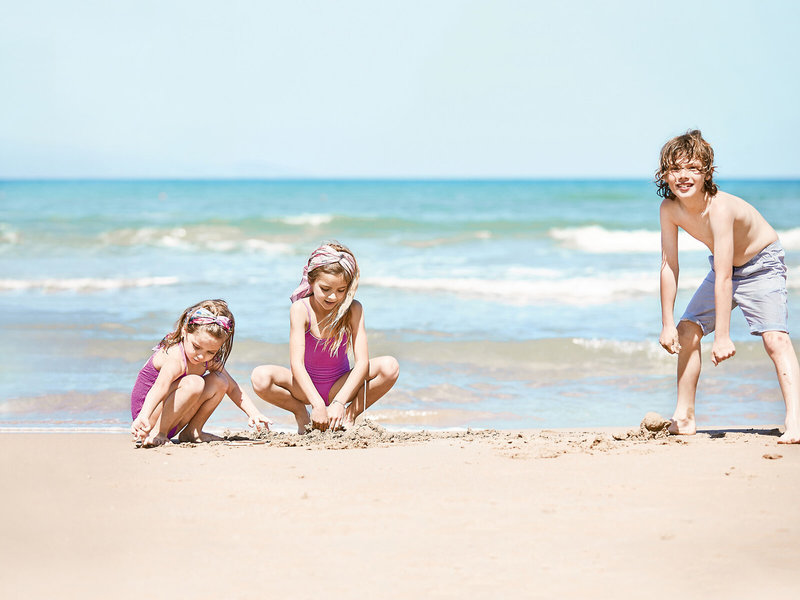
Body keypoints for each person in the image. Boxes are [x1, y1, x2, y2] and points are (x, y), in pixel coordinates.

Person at [657, 129, 800, 444]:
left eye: (693, 168)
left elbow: (725, 277)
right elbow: (669, 265)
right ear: (665, 174)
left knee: (775, 338)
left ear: (707, 173)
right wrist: (666, 323)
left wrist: (722, 336)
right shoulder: (669, 209)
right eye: (676, 169)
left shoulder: (719, 208)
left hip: (761, 264)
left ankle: (796, 419)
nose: (684, 176)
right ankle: (684, 416)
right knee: (686, 331)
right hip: (725, 267)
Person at [251, 242, 399, 433]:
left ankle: (348, 417)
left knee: (390, 366)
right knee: (260, 377)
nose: (333, 297)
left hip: (340, 387)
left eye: (341, 290)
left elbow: (362, 363)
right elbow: (297, 364)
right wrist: (317, 404)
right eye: (325, 289)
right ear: (311, 282)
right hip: (304, 388)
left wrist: (339, 402)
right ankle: (301, 414)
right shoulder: (300, 309)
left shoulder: (353, 309)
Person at [131, 299, 272, 447]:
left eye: (210, 352)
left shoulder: (209, 360)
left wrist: (254, 413)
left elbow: (233, 388)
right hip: (147, 420)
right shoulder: (175, 357)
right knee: (194, 383)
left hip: (173, 420)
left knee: (220, 381)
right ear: (185, 331)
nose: (201, 356)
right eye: (196, 347)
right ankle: (158, 434)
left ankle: (193, 431)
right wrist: (143, 416)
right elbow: (159, 388)